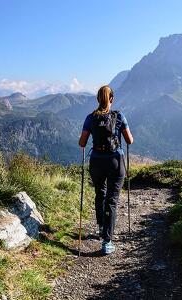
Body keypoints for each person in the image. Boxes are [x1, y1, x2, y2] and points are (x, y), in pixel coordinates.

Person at [78, 85, 133, 255]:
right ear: (112, 99)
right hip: (115, 161)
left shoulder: (90, 118)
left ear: (97, 99)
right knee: (111, 200)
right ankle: (107, 241)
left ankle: (101, 227)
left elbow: (82, 143)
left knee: (99, 193)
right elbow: (129, 140)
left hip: (96, 161)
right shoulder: (119, 116)